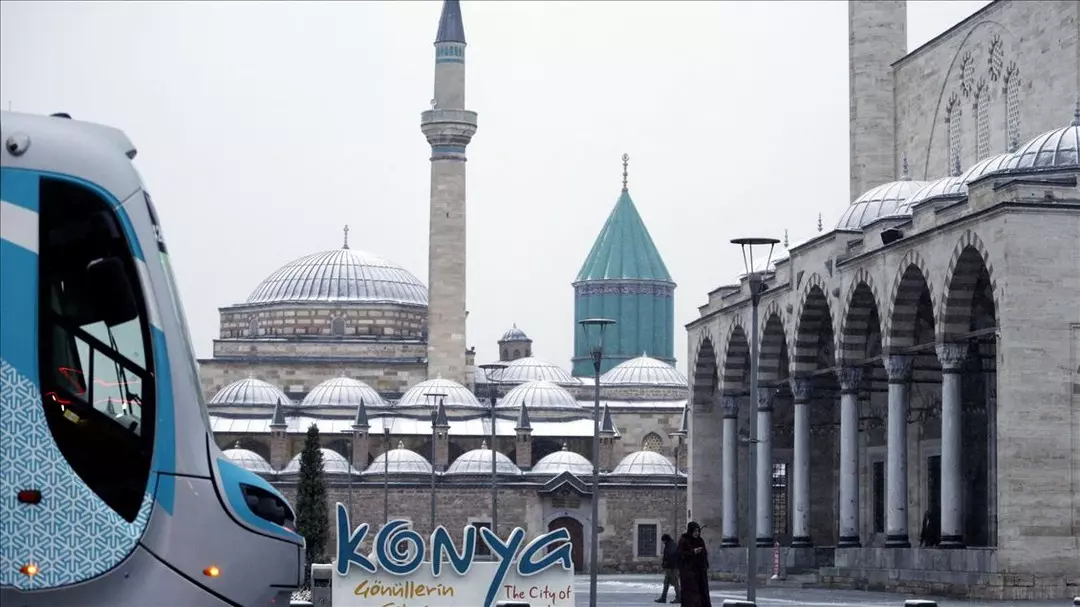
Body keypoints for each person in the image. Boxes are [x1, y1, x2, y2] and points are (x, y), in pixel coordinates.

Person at [676, 521, 711, 607]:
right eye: (695, 531)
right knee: (692, 595)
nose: (697, 533)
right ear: (690, 531)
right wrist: (692, 552)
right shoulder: (684, 540)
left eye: (698, 531)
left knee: (702, 593)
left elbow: (704, 554)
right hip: (688, 573)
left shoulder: (700, 540)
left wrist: (704, 564)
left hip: (700, 572)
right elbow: (680, 555)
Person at [655, 533, 681, 603]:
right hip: (670, 567)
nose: (663, 542)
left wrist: (666, 563)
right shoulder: (670, 544)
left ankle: (679, 598)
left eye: (663, 541)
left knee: (675, 583)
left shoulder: (671, 545)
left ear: (665, 540)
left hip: (672, 568)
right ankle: (663, 598)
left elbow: (670, 556)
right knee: (666, 583)